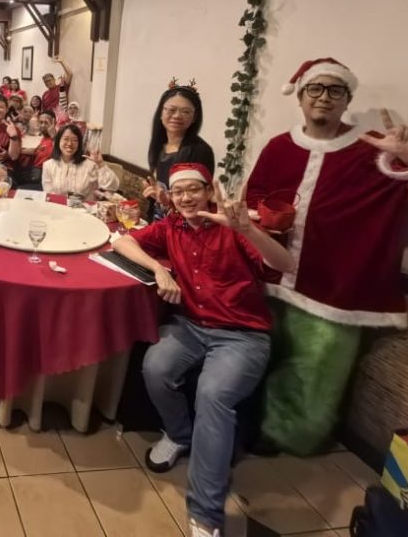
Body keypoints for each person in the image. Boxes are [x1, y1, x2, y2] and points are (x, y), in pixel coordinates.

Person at [245, 58, 408, 456]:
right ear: (300, 97)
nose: (324, 97)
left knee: (317, 372)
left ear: (347, 99)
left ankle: (291, 438)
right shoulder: (279, 147)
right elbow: (254, 196)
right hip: (273, 279)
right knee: (265, 354)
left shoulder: (372, 149)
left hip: (335, 289)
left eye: (336, 90)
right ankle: (253, 424)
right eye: (315, 89)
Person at [111, 163, 295, 537]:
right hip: (191, 326)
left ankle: (206, 516)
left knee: (212, 395)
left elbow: (285, 264)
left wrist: (247, 228)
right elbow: (121, 242)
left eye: (194, 189)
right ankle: (180, 434)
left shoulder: (233, 227)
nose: (186, 198)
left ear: (209, 192)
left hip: (242, 335)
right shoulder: (171, 226)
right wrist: (159, 270)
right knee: (155, 368)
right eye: (179, 192)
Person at [143, 82, 215, 221]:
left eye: (185, 111)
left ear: (194, 117)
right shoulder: (159, 145)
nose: (177, 116)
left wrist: (168, 200)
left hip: (184, 226)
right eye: (171, 110)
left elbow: (198, 203)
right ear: (161, 112)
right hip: (158, 222)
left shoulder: (200, 151)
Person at [42, 124, 119, 198]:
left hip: (83, 207)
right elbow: (49, 194)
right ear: (58, 141)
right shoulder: (48, 165)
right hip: (58, 206)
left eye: (74, 140)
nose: (70, 143)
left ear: (79, 144)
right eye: (66, 139)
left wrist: (100, 164)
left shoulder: (89, 165)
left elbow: (112, 186)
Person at [14, 109, 56, 188]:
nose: (42, 125)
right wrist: (21, 151)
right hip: (33, 170)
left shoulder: (57, 139)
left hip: (40, 174)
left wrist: (54, 137)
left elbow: (58, 157)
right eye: (41, 122)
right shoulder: (45, 137)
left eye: (46, 123)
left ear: (54, 123)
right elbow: (37, 151)